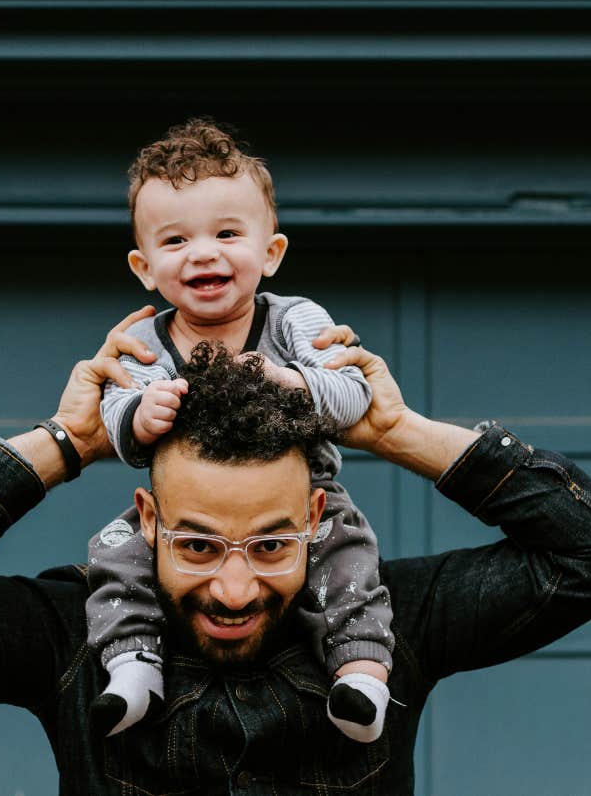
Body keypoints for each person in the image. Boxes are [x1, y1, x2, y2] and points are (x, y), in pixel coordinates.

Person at [0, 308, 591, 796]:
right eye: (196, 543)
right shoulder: (68, 637)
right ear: (146, 519)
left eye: (270, 544)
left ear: (317, 516)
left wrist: (396, 432)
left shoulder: (394, 624)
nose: (232, 586)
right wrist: (65, 441)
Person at [86, 118, 392, 742]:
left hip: (307, 496)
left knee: (350, 555)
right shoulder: (143, 339)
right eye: (175, 242)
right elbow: (115, 417)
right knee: (115, 551)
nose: (203, 253)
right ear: (145, 268)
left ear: (271, 252)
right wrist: (138, 416)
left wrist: (291, 381)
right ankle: (132, 664)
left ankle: (360, 675)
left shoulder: (295, 320)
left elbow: (352, 393)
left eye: (227, 233)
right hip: (184, 510)